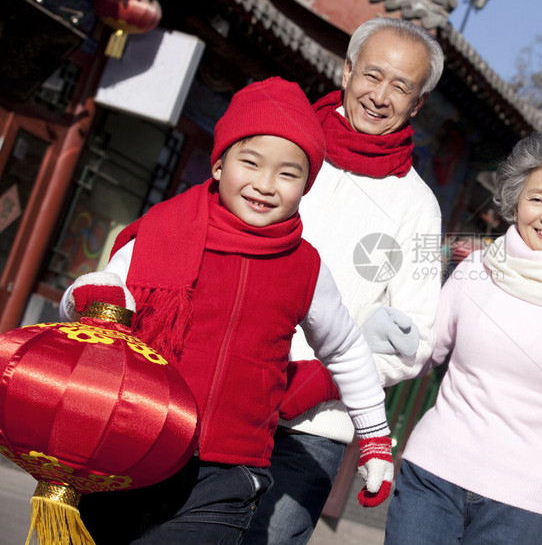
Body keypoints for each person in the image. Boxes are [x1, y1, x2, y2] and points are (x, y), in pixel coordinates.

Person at [59, 77, 393, 544]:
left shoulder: (305, 267)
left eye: (288, 173)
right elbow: (87, 300)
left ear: (306, 186)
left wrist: (375, 438)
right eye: (250, 162)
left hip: (225, 478)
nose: (265, 184)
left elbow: (347, 350)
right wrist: (97, 296)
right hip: (129, 454)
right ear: (218, 164)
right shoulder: (160, 231)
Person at [383, 131, 542, 545]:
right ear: (515, 202)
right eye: (537, 198)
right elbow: (424, 353)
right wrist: (390, 338)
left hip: (524, 508)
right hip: (432, 476)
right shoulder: (476, 271)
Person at [245, 18, 444, 544]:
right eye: (372, 75)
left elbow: (416, 339)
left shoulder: (419, 207)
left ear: (417, 103)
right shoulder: (284, 146)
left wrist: (327, 379)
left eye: (401, 87)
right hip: (225, 386)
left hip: (316, 427)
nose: (380, 96)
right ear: (347, 69)